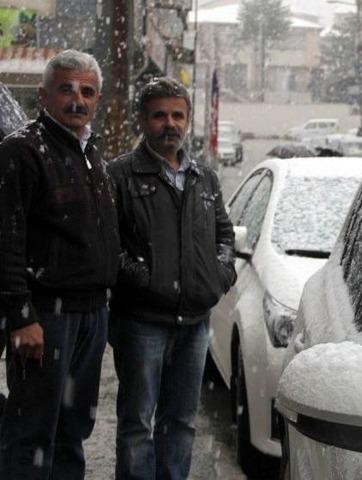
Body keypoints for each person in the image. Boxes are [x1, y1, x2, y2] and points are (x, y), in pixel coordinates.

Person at [108, 77, 236, 480]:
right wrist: (147, 282)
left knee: (181, 422)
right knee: (137, 425)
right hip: (142, 323)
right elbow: (109, 248)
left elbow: (225, 236)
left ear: (188, 120)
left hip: (194, 325)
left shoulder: (204, 178)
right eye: (160, 115)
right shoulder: (120, 176)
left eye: (178, 115)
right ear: (143, 121)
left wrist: (217, 276)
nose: (170, 124)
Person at [0, 49, 120, 479]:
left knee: (73, 430)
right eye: (67, 89)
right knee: (32, 432)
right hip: (46, 319)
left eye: (87, 92)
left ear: (97, 99)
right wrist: (21, 316)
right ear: (44, 94)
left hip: (90, 315)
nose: (77, 100)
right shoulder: (21, 151)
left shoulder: (91, 152)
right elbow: (6, 240)